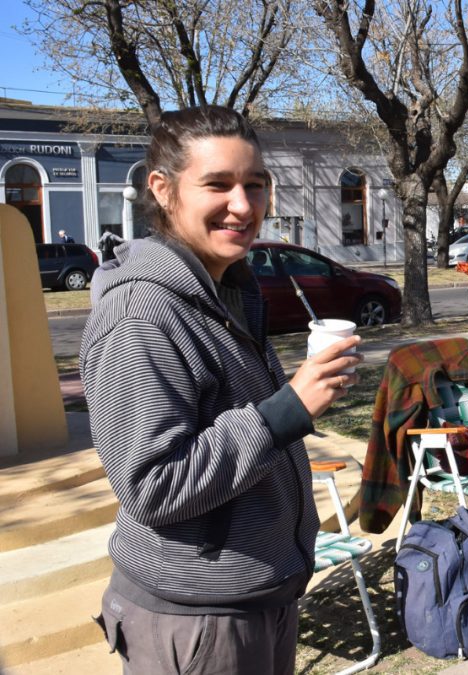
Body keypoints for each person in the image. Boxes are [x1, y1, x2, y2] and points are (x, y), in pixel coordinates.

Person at [80, 105, 361, 674]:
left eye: (255, 185)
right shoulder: (143, 312)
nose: (243, 205)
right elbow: (152, 486)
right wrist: (284, 412)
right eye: (218, 184)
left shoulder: (228, 288)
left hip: (254, 598)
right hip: (199, 618)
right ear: (162, 189)